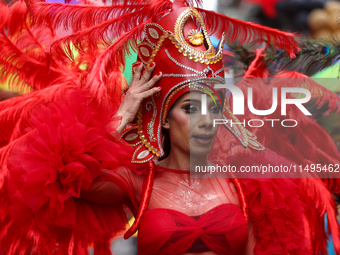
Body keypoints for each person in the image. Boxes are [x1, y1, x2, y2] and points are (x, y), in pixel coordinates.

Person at [0, 0, 339, 254]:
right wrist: (125, 112)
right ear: (163, 116)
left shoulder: (243, 181)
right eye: (190, 108)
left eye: (213, 108)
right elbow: (59, 178)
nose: (205, 120)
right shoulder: (139, 181)